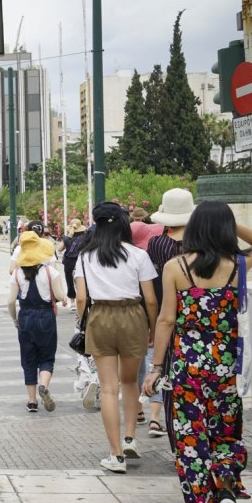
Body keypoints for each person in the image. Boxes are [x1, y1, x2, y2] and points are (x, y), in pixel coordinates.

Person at [144, 202, 252, 503]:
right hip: (226, 370)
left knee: (191, 441)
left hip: (187, 371)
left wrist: (156, 367)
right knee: (225, 434)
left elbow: (166, 319)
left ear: (193, 228)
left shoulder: (175, 267)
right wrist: (230, 224)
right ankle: (225, 489)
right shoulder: (237, 265)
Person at [74, 201, 159, 474]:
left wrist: (82, 322)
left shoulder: (85, 257)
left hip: (100, 316)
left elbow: (81, 298)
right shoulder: (138, 255)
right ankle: (131, 437)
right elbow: (151, 299)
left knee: (109, 387)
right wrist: (152, 327)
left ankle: (116, 455)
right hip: (133, 314)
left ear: (96, 226)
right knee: (129, 380)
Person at [143, 188, 197, 438]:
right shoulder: (201, 247)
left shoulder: (156, 244)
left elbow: (152, 283)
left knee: (165, 371)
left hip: (167, 314)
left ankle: (174, 429)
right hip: (197, 318)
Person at [8, 231, 65, 414]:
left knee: (28, 359)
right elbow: (59, 295)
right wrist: (63, 299)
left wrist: (15, 319)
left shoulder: (16, 273)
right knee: (47, 357)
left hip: (25, 316)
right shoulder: (50, 271)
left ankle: (32, 401)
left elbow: (10, 301)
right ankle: (44, 385)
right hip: (45, 315)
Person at [62, 219, 88, 312]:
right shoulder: (85, 237)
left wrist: (69, 236)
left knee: (69, 281)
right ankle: (84, 300)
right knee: (82, 281)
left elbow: (60, 248)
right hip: (81, 260)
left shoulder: (66, 238)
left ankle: (72, 302)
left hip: (69, 262)